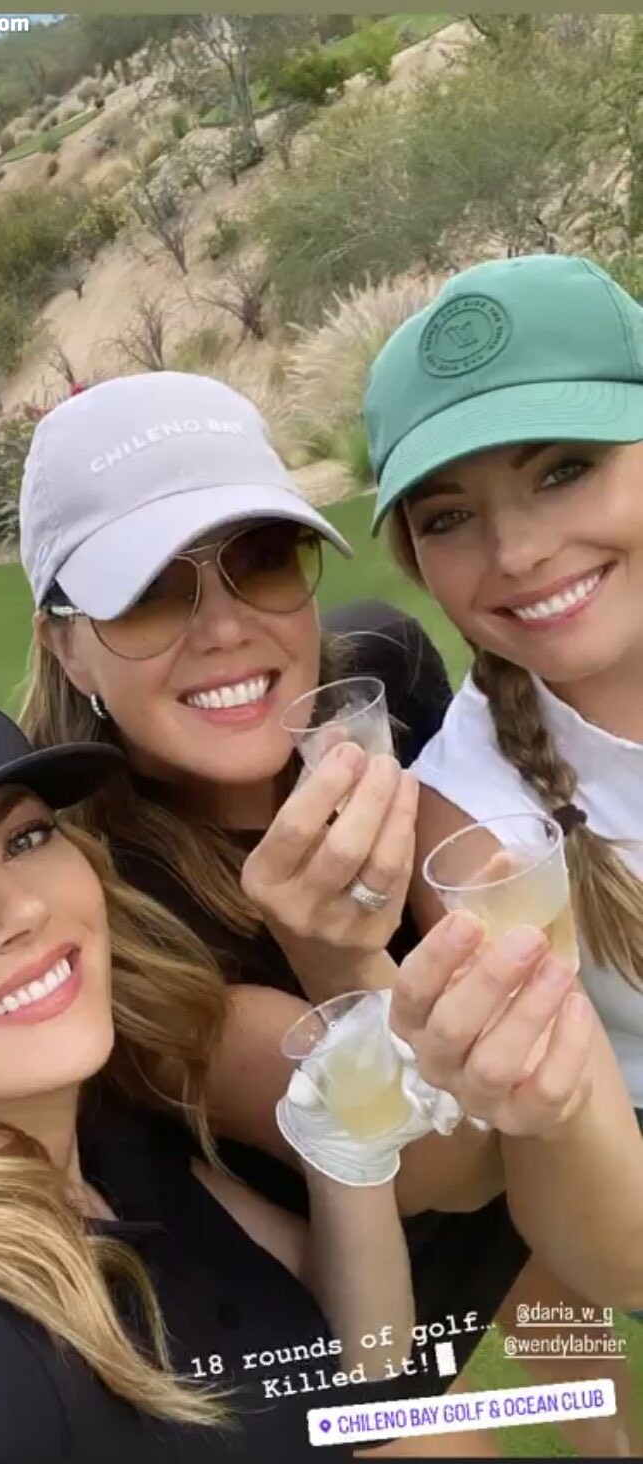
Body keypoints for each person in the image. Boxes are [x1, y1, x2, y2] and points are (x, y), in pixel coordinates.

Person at [16, 369, 643, 1443]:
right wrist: (338, 961)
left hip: (526, 1217)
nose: (225, 628)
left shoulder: (380, 681)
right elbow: (449, 1172)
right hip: (372, 1295)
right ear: (65, 642)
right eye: (150, 591)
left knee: (600, 1412)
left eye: (261, 556)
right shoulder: (111, 909)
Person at [0, 672, 491, 1460]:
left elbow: (355, 1362)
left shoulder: (107, 1147)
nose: (22, 908)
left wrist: (346, 1159)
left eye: (25, 838)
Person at [364, 250, 643, 1454]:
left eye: (564, 468)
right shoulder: (472, 820)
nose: (519, 550)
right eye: (450, 517)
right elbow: (612, 1256)